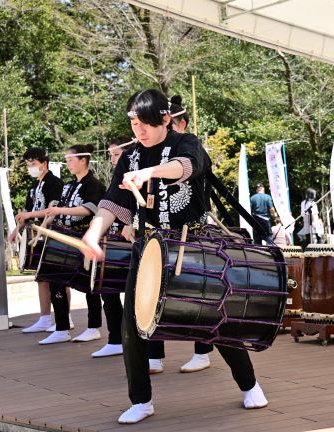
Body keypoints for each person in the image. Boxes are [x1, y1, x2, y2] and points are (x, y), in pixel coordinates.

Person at [80, 89, 268, 424]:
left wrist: (150, 174)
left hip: (192, 244)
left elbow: (186, 168)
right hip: (149, 246)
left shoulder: (187, 143)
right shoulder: (131, 157)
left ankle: (249, 384)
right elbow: (111, 203)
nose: (140, 132)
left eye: (145, 125)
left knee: (212, 318)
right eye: (135, 124)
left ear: (165, 119)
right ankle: (141, 400)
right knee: (132, 325)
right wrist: (93, 235)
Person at [166, 94, 215, 373]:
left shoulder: (191, 145)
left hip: (192, 230)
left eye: (170, 125)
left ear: (181, 123)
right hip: (164, 231)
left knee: (198, 294)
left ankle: (202, 351)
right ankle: (152, 355)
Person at [39, 144, 106, 345]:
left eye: (71, 160)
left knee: (88, 284)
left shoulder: (93, 184)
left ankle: (93, 327)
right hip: (63, 238)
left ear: (83, 160)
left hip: (83, 238)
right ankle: (61, 328)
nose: (68, 163)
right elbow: (60, 208)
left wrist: (60, 210)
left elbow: (89, 209)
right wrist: (51, 215)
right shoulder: (68, 186)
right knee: (55, 280)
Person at [8, 148, 64, 333]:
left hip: (50, 232)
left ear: (43, 163)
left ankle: (64, 318)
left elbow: (53, 210)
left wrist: (29, 214)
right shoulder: (34, 187)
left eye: (33, 164)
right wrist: (17, 230)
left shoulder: (54, 183)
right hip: (36, 234)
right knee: (41, 277)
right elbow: (27, 214)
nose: (30, 168)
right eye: (28, 165)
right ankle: (45, 317)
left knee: (55, 277)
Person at [91, 137, 136, 358]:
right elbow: (109, 204)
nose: (112, 160)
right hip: (117, 242)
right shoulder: (118, 177)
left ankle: (153, 354)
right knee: (107, 290)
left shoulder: (146, 170)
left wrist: (134, 223)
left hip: (141, 241)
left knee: (138, 297)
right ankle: (116, 339)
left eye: (116, 154)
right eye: (111, 155)